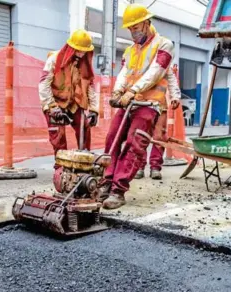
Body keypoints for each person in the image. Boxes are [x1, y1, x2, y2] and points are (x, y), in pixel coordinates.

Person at [98, 4, 175, 209]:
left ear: (147, 22)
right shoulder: (131, 50)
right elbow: (125, 72)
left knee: (134, 144)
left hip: (148, 104)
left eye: (136, 27)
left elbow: (156, 72)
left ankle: (118, 189)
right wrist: (118, 91)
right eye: (130, 29)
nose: (133, 32)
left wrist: (133, 91)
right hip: (129, 103)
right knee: (112, 139)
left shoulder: (164, 45)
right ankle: (106, 182)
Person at [38, 29, 99, 160]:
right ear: (71, 47)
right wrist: (52, 107)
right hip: (54, 103)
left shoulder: (84, 64)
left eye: (84, 51)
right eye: (79, 50)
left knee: (84, 127)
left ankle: (84, 161)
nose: (82, 53)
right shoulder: (54, 60)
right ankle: (60, 165)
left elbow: (90, 87)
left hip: (74, 103)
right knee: (58, 135)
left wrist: (94, 110)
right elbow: (44, 84)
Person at [135, 25, 181, 181]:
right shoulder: (139, 62)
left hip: (159, 105)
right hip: (142, 104)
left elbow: (171, 79)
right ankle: (139, 167)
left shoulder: (162, 62)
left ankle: (155, 167)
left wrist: (175, 96)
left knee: (158, 136)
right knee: (141, 137)